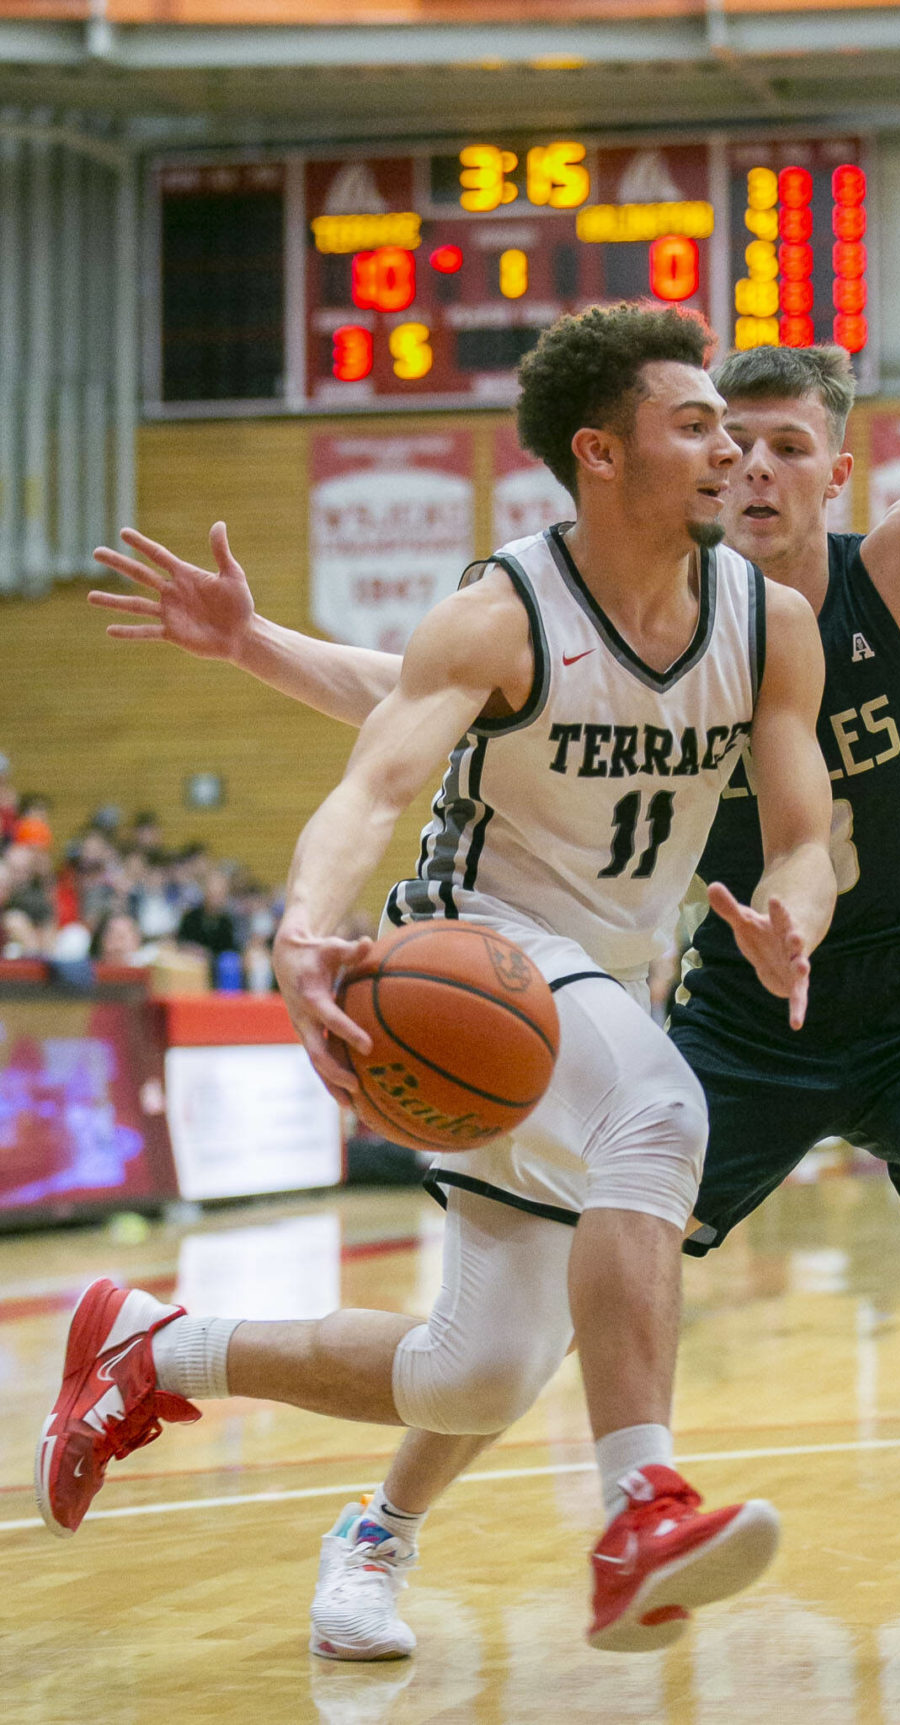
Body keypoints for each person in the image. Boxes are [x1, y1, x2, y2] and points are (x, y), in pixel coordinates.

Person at [80, 22, 900, 1663]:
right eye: (732, 439)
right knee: (580, 1219)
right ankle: (511, 1516)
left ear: (837, 473)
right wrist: (264, 700)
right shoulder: (582, 604)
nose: (754, 465)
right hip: (667, 1002)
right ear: (667, 462)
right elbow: (411, 716)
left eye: (787, 444)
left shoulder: (866, 594)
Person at [41, 304, 837, 1656]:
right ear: (601, 452)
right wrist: (304, 926)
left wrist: (790, 918)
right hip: (485, 946)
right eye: (695, 424)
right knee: (660, 1112)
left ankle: (155, 1349)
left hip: (603, 993)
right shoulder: (501, 609)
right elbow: (375, 786)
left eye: (740, 430)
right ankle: (639, 1504)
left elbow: (810, 833)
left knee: (474, 1376)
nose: (731, 455)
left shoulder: (772, 624)